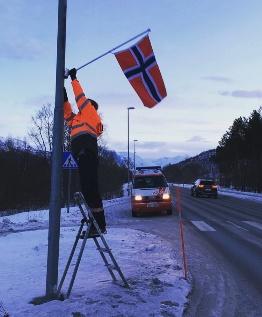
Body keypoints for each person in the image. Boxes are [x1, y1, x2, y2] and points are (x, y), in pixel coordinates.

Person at [64, 68, 106, 235]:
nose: (82, 106)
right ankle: (94, 222)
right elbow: (67, 114)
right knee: (87, 189)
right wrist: (64, 96)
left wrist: (74, 79)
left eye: (86, 105)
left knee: (90, 188)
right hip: (82, 155)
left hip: (87, 153)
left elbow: (80, 98)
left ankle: (99, 224)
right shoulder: (78, 119)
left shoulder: (91, 114)